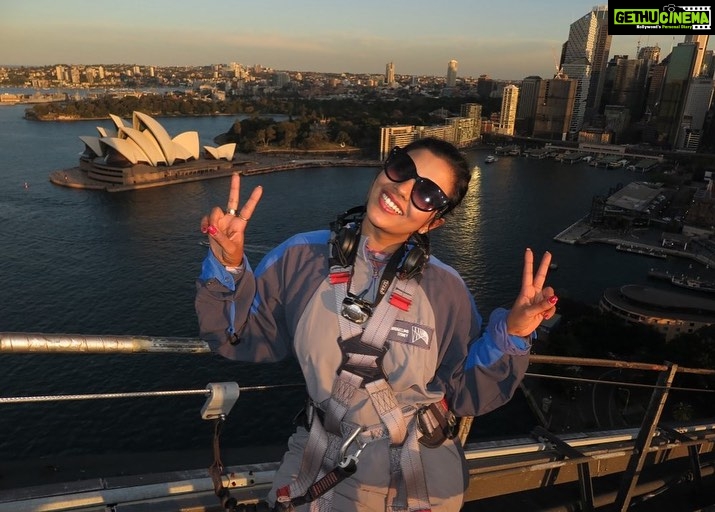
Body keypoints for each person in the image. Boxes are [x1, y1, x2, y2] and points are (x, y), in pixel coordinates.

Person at [195, 137, 557, 512]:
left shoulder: (446, 290)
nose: (401, 190)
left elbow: (465, 391)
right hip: (318, 460)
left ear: (434, 221)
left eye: (427, 194)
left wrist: (513, 333)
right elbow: (239, 336)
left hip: (418, 472)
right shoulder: (299, 258)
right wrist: (228, 266)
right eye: (401, 169)